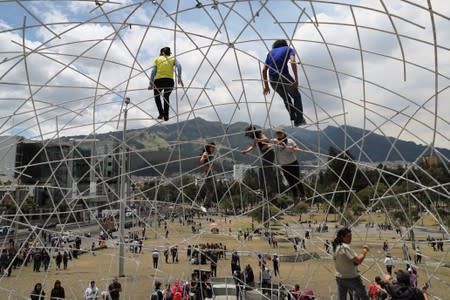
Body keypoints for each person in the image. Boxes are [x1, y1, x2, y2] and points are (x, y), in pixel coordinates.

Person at [262, 39, 305, 127]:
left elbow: (264, 70)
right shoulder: (289, 49)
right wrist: (296, 79)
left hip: (272, 79)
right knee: (296, 96)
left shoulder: (270, 53)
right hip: (284, 75)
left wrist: (266, 86)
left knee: (286, 98)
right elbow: (292, 61)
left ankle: (293, 116)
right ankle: (299, 120)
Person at [271, 128, 306, 205]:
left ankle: (303, 195)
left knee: (297, 179)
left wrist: (292, 148)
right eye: (278, 133)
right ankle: (295, 197)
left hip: (293, 163)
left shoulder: (290, 141)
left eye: (280, 133)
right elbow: (271, 141)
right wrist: (279, 143)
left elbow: (296, 149)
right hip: (284, 165)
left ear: (284, 133)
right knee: (290, 182)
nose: (279, 134)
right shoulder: (275, 141)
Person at [332, 227, 370, 300]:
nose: (350, 238)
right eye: (348, 236)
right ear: (342, 237)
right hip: (351, 277)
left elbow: (350, 261)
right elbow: (358, 260)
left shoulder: (335, 246)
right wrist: (364, 250)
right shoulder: (344, 247)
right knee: (364, 296)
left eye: (351, 236)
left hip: (340, 277)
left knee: (342, 297)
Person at [148, 46, 183, 121]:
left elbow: (153, 71)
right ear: (169, 53)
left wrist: (151, 83)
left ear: (161, 53)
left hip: (158, 81)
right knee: (166, 97)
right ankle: (166, 116)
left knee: (157, 96)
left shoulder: (157, 58)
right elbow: (179, 66)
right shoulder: (172, 58)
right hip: (169, 81)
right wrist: (179, 78)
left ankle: (161, 113)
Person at [241, 125, 277, 199]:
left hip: (269, 153)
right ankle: (267, 190)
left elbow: (266, 139)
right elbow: (253, 146)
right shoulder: (255, 137)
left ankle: (268, 190)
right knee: (265, 172)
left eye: (248, 133)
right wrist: (246, 151)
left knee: (265, 172)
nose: (248, 135)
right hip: (266, 154)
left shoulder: (259, 134)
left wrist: (259, 140)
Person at [199, 142, 217, 209]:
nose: (213, 149)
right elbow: (201, 161)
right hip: (208, 173)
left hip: (212, 173)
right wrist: (204, 158)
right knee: (210, 189)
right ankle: (204, 205)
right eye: (212, 147)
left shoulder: (211, 154)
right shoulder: (206, 153)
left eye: (214, 148)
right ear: (209, 147)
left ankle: (207, 205)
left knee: (212, 190)